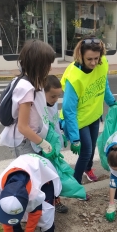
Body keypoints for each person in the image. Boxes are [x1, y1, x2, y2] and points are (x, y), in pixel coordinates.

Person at [0, 40, 68, 214]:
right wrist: (44, 144)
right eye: (48, 64)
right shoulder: (27, 88)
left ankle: (34, 211)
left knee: (34, 177)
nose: (50, 69)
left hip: (27, 141)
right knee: (29, 178)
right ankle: (29, 213)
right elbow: (23, 126)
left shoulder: (23, 81)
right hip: (24, 142)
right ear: (39, 64)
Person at [60, 36, 117, 191]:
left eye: (96, 58)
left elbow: (103, 84)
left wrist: (112, 101)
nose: (93, 63)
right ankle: (76, 184)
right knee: (86, 151)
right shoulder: (74, 76)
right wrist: (75, 138)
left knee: (92, 148)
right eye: (89, 59)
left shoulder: (102, 63)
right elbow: (68, 110)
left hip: (94, 114)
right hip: (78, 120)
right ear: (81, 56)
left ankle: (88, 168)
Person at [0, 153, 61, 232]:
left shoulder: (35, 194)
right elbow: (6, 212)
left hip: (44, 173)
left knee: (46, 216)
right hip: (23, 164)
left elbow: (35, 214)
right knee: (13, 212)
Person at [44, 75, 69, 213]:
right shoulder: (40, 107)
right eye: (53, 96)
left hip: (55, 146)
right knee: (47, 176)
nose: (55, 100)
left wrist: (62, 134)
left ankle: (57, 200)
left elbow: (55, 121)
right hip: (46, 148)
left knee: (55, 174)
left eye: (58, 96)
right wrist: (46, 147)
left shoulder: (52, 104)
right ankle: (48, 202)